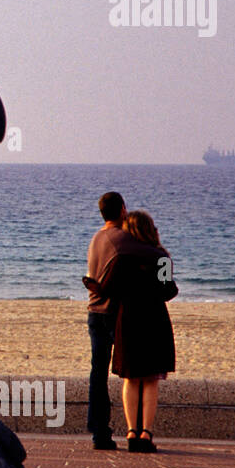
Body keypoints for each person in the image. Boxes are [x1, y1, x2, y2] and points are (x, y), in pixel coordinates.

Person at [84, 210, 177, 453]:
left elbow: (107, 289)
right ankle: (145, 433)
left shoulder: (121, 259)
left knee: (131, 378)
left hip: (128, 319)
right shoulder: (162, 257)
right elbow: (168, 291)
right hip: (155, 319)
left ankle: (130, 432)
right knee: (151, 380)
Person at [84, 191, 134, 450]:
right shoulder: (124, 239)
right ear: (123, 209)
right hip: (116, 312)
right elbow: (154, 257)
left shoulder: (96, 238)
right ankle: (137, 430)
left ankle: (99, 431)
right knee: (134, 370)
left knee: (98, 372)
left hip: (95, 311)